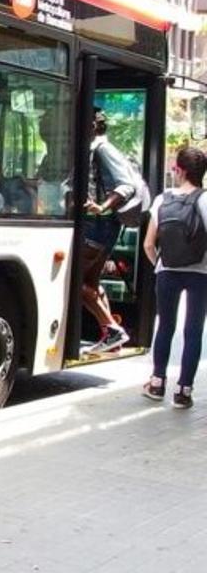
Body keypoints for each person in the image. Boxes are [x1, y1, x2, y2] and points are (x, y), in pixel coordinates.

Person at [141, 146, 207, 409]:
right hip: (200, 274)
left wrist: (161, 263)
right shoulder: (205, 199)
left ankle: (157, 384)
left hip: (166, 272)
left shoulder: (162, 199)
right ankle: (183, 392)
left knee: (165, 328)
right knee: (193, 331)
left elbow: (148, 244)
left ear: (179, 170)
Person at [81, 109, 140, 353]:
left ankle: (113, 330)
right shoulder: (95, 147)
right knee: (91, 283)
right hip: (101, 226)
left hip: (98, 226)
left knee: (76, 283)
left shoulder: (103, 149)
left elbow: (127, 186)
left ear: (93, 126)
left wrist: (100, 207)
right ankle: (112, 337)